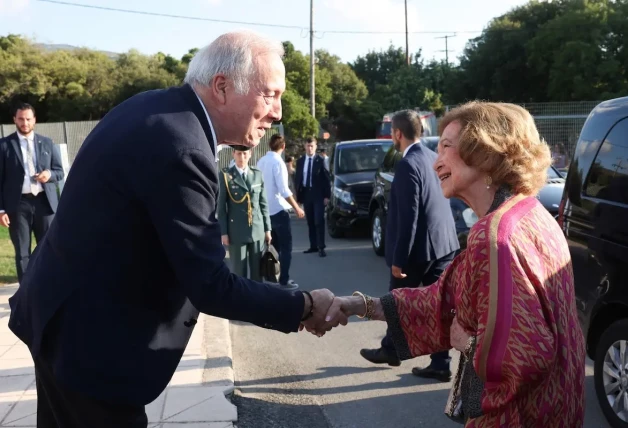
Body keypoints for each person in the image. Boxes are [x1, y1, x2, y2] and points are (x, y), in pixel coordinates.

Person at [8, 30, 343, 428]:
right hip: (90, 350)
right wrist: (303, 305)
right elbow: (211, 285)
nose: (279, 112)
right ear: (222, 86)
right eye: (270, 94)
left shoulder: (156, 108)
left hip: (62, 321)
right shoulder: (183, 147)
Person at [323, 101, 586, 427]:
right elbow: (442, 299)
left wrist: (469, 345)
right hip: (560, 406)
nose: (436, 162)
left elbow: (524, 355)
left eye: (447, 147)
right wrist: (360, 305)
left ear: (485, 153)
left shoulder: (494, 237)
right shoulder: (530, 213)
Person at [359, 110, 459, 382]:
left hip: (418, 250)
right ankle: (439, 363)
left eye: (392, 132)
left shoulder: (407, 164)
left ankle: (391, 350)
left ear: (398, 134)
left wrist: (398, 260)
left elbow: (408, 217)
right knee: (437, 309)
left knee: (395, 303)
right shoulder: (430, 157)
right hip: (442, 245)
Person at [0, 103, 64, 283]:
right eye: (21, 119)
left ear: (34, 120)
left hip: (45, 203)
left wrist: (49, 174)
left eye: (28, 119)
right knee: (22, 252)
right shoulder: (4, 146)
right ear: (14, 119)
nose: (25, 123)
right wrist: (1, 210)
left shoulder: (47, 143)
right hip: (18, 205)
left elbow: (59, 171)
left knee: (50, 249)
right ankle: (26, 295)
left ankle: (50, 286)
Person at [256, 134, 305, 290]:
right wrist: (297, 207)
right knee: (286, 248)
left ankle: (271, 277)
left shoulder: (261, 161)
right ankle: (283, 279)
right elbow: (283, 190)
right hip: (278, 209)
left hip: (264, 210)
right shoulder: (278, 163)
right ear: (283, 147)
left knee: (272, 247)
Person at [218, 145, 271, 281]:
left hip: (257, 230)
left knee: (257, 274)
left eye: (245, 154)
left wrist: (267, 229)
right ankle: (240, 302)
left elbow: (263, 203)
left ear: (250, 154)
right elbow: (221, 207)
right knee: (238, 273)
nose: (242, 157)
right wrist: (223, 232)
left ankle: (257, 301)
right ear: (233, 154)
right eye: (239, 154)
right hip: (236, 231)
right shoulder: (226, 176)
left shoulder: (257, 174)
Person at [295, 137, 330, 257]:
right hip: (306, 193)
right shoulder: (300, 161)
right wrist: (298, 197)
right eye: (308, 146)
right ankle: (313, 245)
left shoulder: (320, 160)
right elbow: (298, 179)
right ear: (305, 146)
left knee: (319, 220)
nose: (310, 148)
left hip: (318, 194)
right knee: (310, 221)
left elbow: (326, 179)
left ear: (315, 147)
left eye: (312, 146)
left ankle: (321, 247)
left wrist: (327, 196)